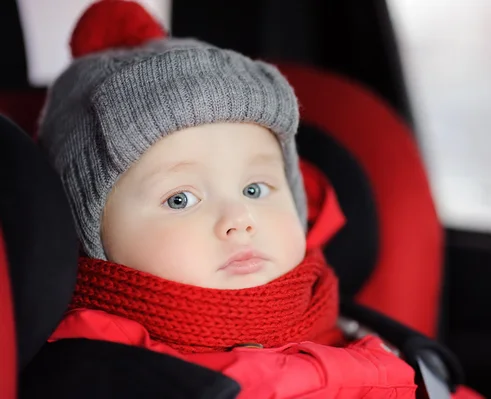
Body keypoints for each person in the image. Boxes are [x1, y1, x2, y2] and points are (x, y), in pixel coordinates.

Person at [38, 1, 418, 398]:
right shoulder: (96, 374)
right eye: (181, 199)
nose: (240, 218)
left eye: (255, 189)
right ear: (89, 236)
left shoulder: (361, 333)